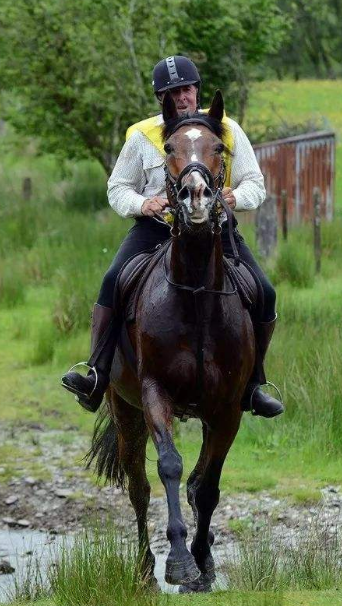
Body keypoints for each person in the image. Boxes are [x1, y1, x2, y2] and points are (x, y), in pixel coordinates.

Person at [60, 55, 283, 419]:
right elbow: (118, 188)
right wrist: (143, 203)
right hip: (157, 229)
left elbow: (254, 184)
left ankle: (254, 383)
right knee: (113, 281)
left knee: (265, 291)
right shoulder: (142, 136)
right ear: (162, 99)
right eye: (173, 92)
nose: (183, 97)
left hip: (214, 230)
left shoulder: (226, 129)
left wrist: (234, 197)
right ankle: (97, 374)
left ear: (197, 90)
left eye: (187, 89)